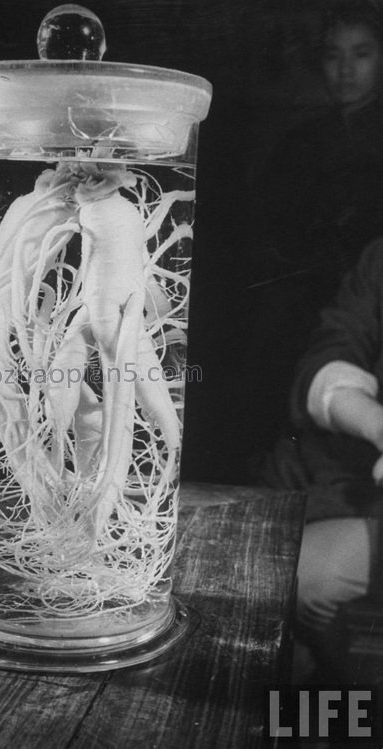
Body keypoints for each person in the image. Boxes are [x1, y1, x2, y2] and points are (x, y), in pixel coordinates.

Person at [240, 0, 383, 472]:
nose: (346, 70)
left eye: (361, 54)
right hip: (305, 316)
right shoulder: (299, 143)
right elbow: (264, 231)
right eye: (333, 56)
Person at [261, 236, 383, 681]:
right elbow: (332, 353)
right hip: (327, 479)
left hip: (367, 513)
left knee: (295, 578)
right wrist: (376, 424)